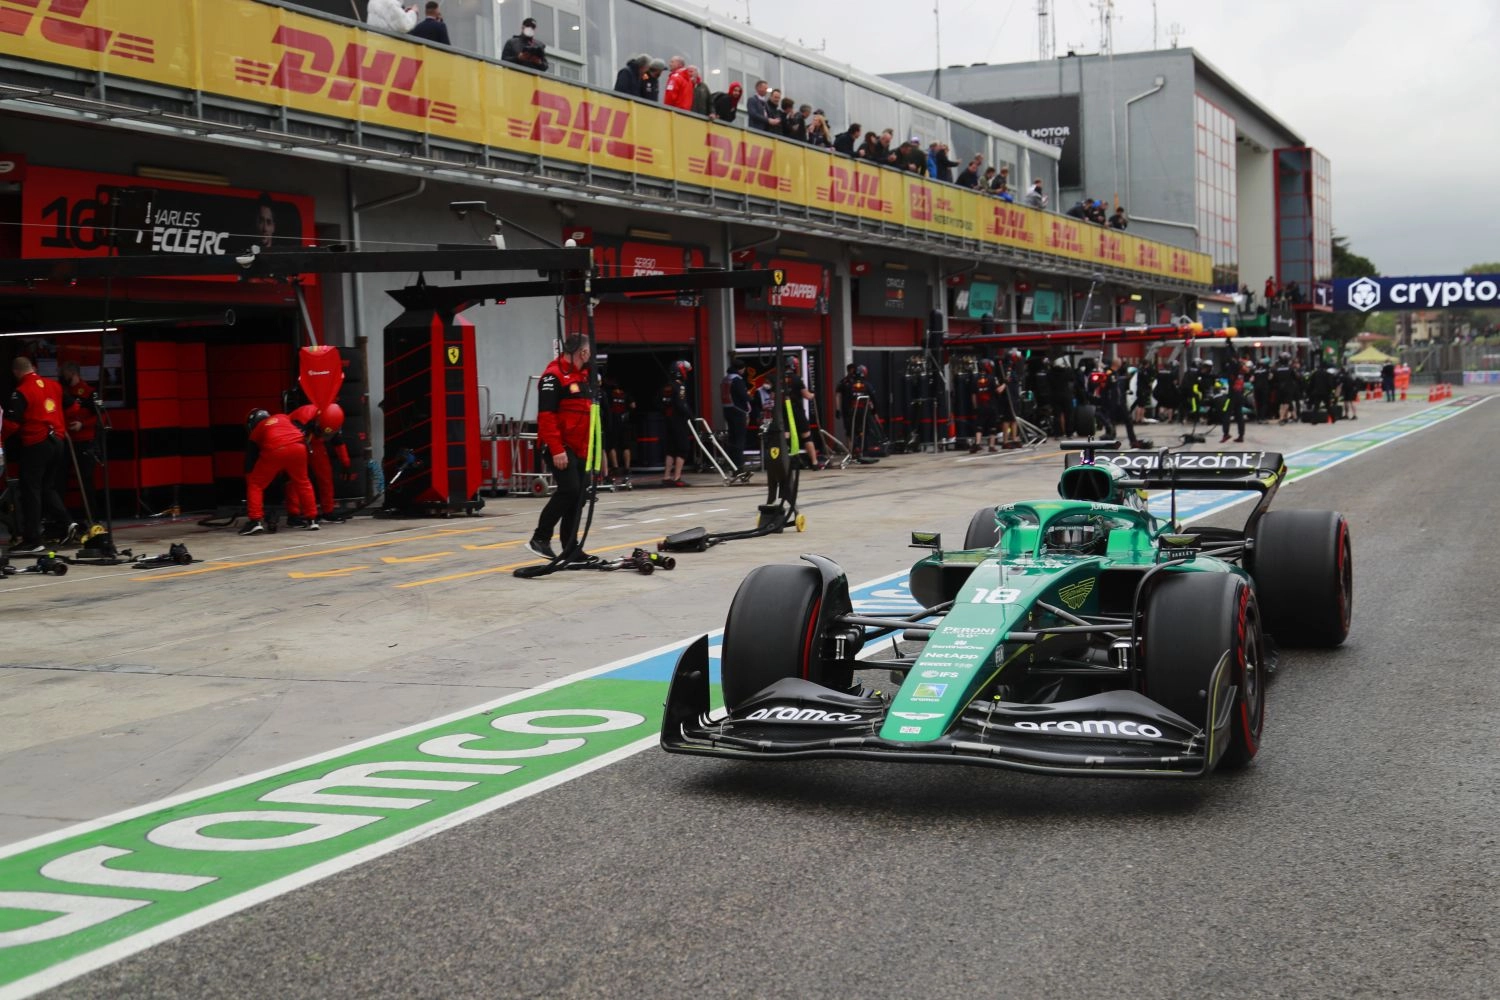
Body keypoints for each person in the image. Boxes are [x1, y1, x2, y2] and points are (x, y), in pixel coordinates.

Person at [526, 335, 592, 560]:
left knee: (580, 495)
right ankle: (540, 538)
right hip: (561, 447)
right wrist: (556, 449)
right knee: (570, 489)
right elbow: (546, 417)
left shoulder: (583, 377)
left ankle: (570, 547)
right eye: (588, 352)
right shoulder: (553, 376)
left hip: (581, 448)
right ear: (583, 353)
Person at [5, 357, 72, 553]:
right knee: (46, 487)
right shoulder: (54, 385)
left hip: (36, 443)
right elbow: (73, 407)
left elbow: (12, 424)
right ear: (33, 368)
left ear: (16, 372)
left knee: (30, 490)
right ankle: (67, 522)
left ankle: (33, 539)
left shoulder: (22, 391)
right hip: (58, 441)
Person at [240, 409, 318, 535]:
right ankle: (312, 519)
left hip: (276, 449)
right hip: (299, 447)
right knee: (303, 482)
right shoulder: (283, 417)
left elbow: (250, 459)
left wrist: (249, 477)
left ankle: (255, 521)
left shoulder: (257, 430)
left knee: (255, 484)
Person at [287, 402, 350, 523]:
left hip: (315, 443)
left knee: (325, 474)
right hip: (296, 441)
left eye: (328, 435)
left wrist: (346, 464)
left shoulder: (332, 422)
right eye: (324, 432)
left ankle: (328, 511)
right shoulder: (301, 419)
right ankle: (293, 514)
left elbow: (339, 443)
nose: (326, 436)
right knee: (297, 477)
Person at [58, 362, 102, 525]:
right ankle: (62, 521)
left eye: (64, 373)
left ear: (72, 373)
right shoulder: (63, 392)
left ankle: (93, 519)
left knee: (86, 481)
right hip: (66, 441)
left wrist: (82, 424)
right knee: (59, 480)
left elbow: (101, 417)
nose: (62, 376)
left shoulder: (90, 392)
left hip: (84, 442)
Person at [781, 356, 823, 470]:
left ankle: (785, 463)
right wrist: (813, 394)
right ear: (794, 366)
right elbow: (807, 396)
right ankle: (814, 463)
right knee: (806, 436)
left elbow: (773, 396)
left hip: (783, 410)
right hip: (796, 411)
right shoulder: (797, 379)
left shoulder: (779, 378)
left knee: (785, 436)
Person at [660, 360, 694, 487]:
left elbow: (661, 403)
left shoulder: (667, 386)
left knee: (670, 449)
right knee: (683, 449)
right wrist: (692, 417)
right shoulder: (680, 387)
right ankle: (677, 477)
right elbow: (682, 405)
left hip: (668, 421)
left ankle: (666, 476)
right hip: (679, 422)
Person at [600, 369, 635, 487]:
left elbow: (606, 408)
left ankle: (615, 467)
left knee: (611, 446)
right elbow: (633, 405)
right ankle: (627, 468)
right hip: (624, 421)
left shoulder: (608, 394)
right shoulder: (625, 394)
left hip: (612, 423)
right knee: (626, 445)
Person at [720, 358, 752, 481]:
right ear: (741, 369)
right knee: (739, 440)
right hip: (738, 412)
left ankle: (732, 466)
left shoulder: (726, 379)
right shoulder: (737, 380)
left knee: (732, 439)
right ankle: (739, 467)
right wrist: (750, 398)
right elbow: (744, 396)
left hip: (727, 411)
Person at [970, 359, 1001, 453]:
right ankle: (991, 446)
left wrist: (975, 407)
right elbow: (998, 391)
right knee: (993, 426)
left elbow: (973, 394)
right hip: (991, 405)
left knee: (979, 425)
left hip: (981, 405)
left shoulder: (975, 379)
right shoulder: (992, 378)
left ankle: (978, 443)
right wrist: (1005, 384)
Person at [1219, 360, 1250, 443]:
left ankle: (1226, 434)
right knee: (1239, 415)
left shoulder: (1232, 372)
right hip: (1240, 394)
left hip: (1232, 395)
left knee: (1226, 414)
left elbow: (1225, 382)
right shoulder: (1241, 373)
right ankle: (1241, 435)